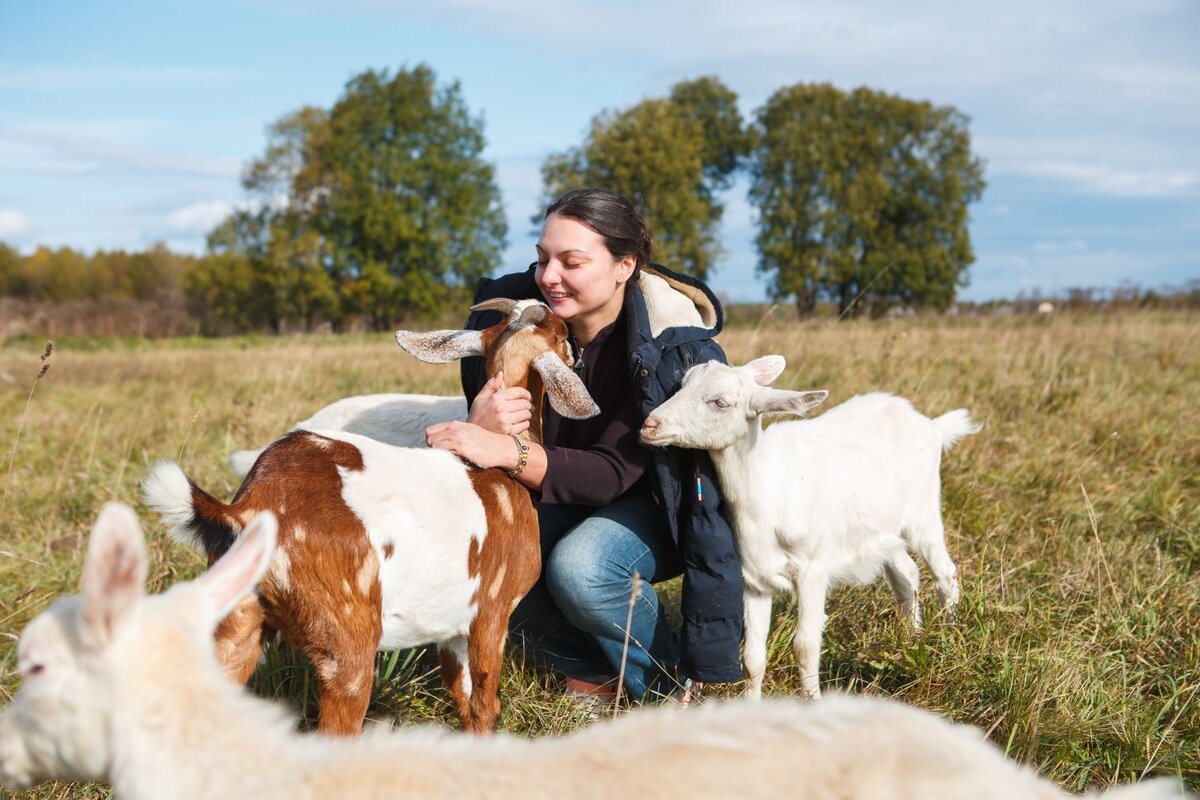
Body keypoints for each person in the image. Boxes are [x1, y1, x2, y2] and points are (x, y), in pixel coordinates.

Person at [424, 187, 742, 702]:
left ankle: (664, 685)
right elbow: (496, 432)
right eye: (542, 259)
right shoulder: (510, 324)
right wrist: (482, 420)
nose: (548, 277)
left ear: (624, 266)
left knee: (581, 567)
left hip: (657, 504)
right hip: (555, 490)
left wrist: (506, 450)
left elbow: (611, 473)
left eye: (571, 262)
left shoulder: (667, 351)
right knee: (488, 552)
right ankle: (593, 670)